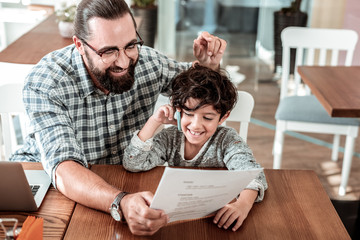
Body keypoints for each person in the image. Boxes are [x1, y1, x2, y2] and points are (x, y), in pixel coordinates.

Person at [10, 0, 226, 236]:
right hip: (51, 184)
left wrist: (208, 66)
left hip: (123, 180)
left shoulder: (148, 62)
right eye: (108, 51)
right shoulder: (48, 82)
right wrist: (120, 202)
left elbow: (196, 91)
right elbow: (64, 168)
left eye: (130, 45)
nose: (123, 62)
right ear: (79, 45)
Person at [123, 64, 268, 232]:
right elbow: (133, 163)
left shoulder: (227, 140)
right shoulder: (170, 138)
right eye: (189, 114)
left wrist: (242, 205)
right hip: (176, 219)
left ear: (223, 117)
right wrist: (154, 121)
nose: (196, 125)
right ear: (178, 110)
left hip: (215, 218)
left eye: (207, 117)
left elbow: (253, 175)